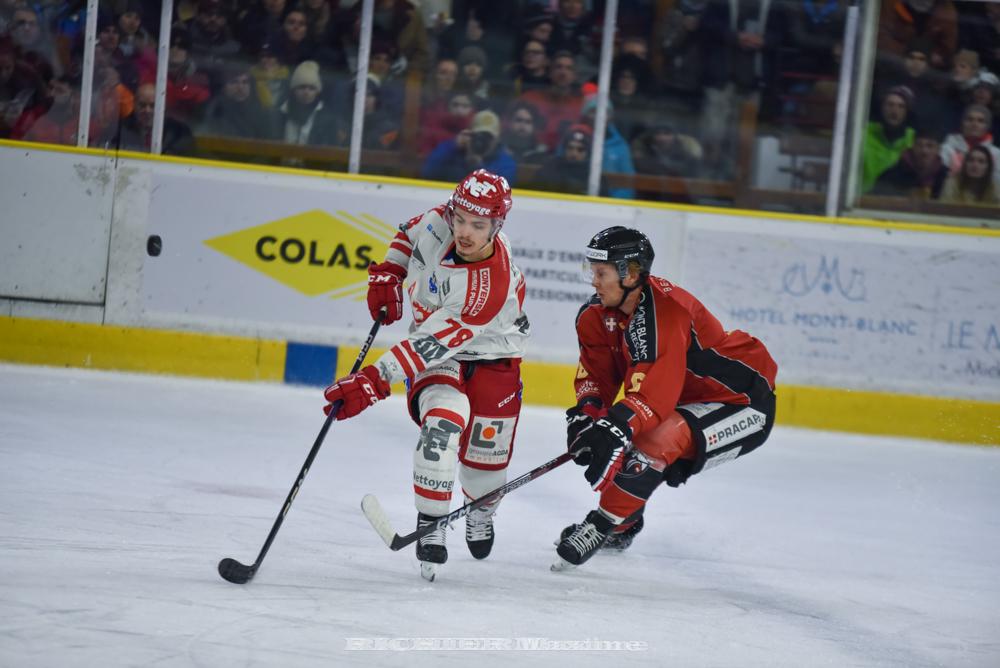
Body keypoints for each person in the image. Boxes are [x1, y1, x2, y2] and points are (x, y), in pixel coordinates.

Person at [321, 169, 530, 581]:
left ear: (497, 225)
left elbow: (427, 345)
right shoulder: (439, 220)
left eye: (478, 225)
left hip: (494, 356)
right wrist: (389, 271)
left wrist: (375, 380)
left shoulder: (488, 286)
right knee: (442, 423)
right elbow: (407, 235)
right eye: (460, 219)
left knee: (485, 471)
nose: (464, 231)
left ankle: (481, 511)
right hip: (439, 360)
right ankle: (431, 523)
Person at [552, 227, 777, 570]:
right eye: (591, 272)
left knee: (653, 438)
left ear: (630, 274)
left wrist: (613, 427)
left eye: (601, 273)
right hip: (680, 401)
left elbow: (655, 394)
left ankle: (602, 524)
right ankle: (622, 524)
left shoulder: (667, 313)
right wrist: (588, 413)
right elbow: (597, 375)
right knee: (622, 431)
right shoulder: (596, 315)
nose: (593, 282)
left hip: (741, 403)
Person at [421, 109, 517, 185]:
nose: (482, 141)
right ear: (470, 134)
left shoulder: (505, 162)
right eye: (479, 135)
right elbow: (427, 172)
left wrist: (479, 169)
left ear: (497, 139)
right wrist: (453, 146)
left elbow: (501, 189)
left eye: (488, 137)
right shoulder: (453, 150)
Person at [871, 123, 948, 199]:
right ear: (912, 147)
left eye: (930, 146)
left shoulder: (946, 177)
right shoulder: (892, 175)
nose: (924, 151)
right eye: (919, 145)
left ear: (938, 150)